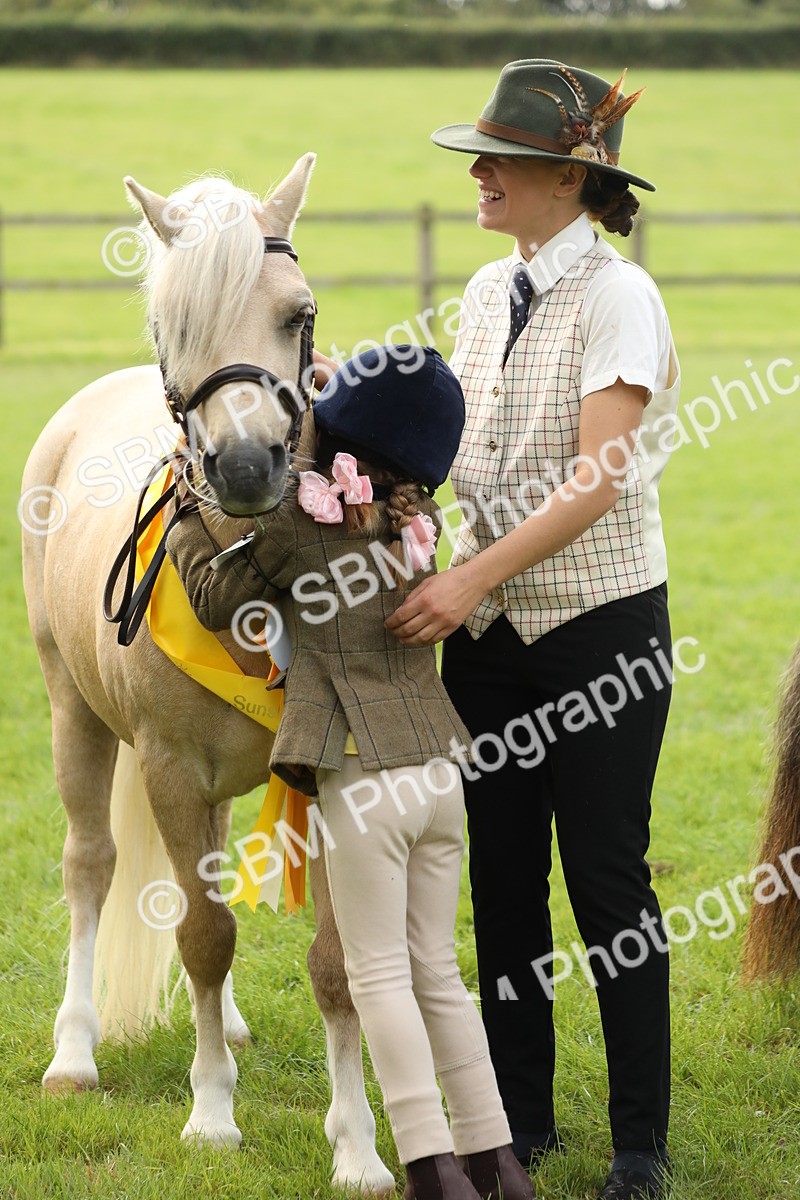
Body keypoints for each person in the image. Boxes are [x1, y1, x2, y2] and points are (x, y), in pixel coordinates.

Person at [385, 61, 681, 1200]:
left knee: (606, 884)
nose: (479, 174)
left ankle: (638, 1146)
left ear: (569, 178)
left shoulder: (618, 296)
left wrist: (465, 583)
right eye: (479, 158)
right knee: (503, 884)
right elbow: (457, 446)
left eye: (499, 158)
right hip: (488, 641)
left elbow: (596, 480)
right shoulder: (481, 290)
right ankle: (523, 1124)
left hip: (600, 632)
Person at [166, 346, 537, 1200]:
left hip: (366, 781)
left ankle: (430, 1166)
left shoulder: (295, 526)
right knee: (437, 973)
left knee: (377, 977)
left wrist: (188, 513)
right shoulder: (418, 520)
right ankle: (495, 1161)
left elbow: (215, 600)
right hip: (439, 776)